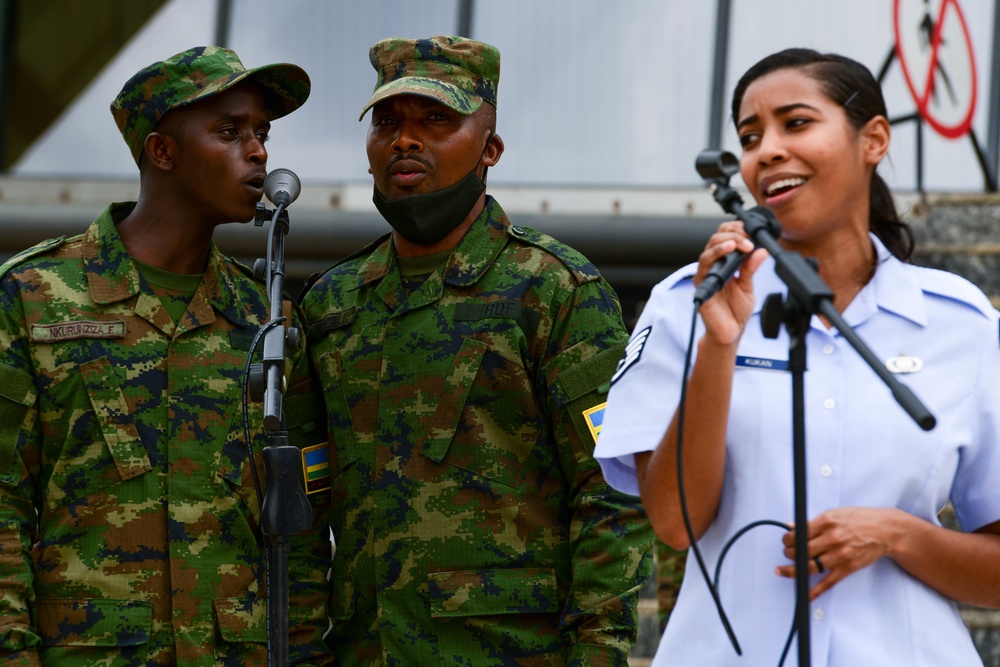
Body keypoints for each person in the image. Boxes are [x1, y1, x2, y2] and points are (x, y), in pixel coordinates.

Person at [594, 48, 1000, 666]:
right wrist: (719, 346)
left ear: (875, 139)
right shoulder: (689, 301)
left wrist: (899, 534)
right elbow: (675, 524)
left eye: (797, 122)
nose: (768, 150)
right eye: (750, 137)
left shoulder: (961, 322)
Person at [300, 35, 654, 666]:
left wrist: (598, 654)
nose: (405, 140)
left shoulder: (552, 288)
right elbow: (303, 500)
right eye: (388, 122)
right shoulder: (332, 304)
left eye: (437, 120)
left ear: (490, 148)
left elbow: (612, 492)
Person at [0, 46, 333, 665]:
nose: (258, 151)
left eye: (261, 133)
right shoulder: (33, 296)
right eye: (230, 133)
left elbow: (301, 527)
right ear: (163, 152)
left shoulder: (269, 318)